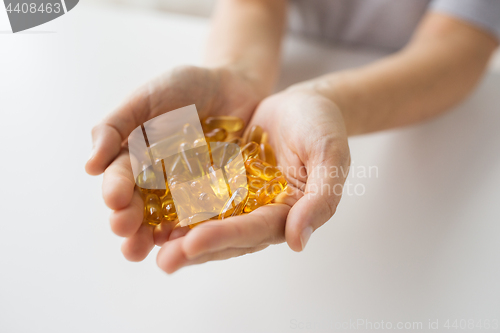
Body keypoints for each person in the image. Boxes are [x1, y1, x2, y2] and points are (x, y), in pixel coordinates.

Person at [85, 0, 500, 273]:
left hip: (417, 101)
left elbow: (459, 44)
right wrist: (238, 73)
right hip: (291, 48)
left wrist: (327, 101)